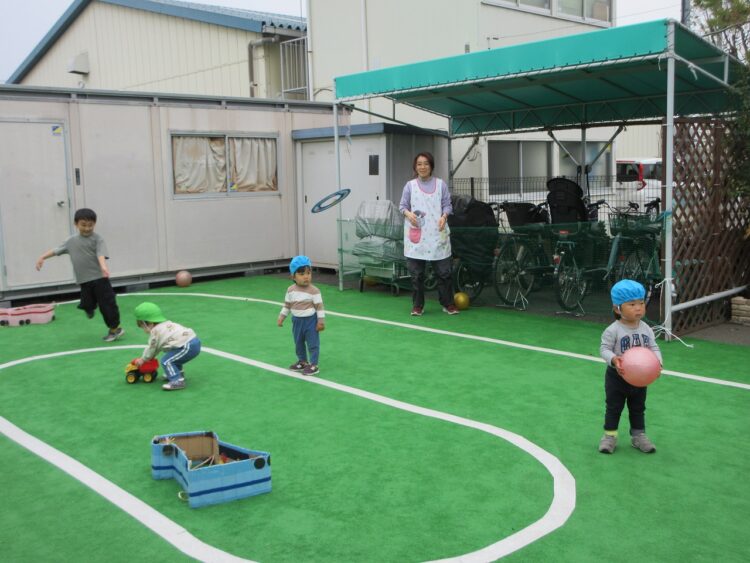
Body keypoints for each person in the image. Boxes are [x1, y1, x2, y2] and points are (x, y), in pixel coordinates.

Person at [36, 208, 124, 342]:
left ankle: (114, 329)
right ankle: (90, 308)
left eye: (90, 225)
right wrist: (42, 257)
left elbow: (100, 253)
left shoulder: (98, 239)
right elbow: (56, 250)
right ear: (76, 224)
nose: (87, 228)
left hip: (100, 279)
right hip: (84, 281)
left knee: (107, 304)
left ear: (94, 224)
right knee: (87, 304)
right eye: (83, 225)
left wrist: (103, 266)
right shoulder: (71, 241)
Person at [598, 280, 663, 454]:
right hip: (617, 378)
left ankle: (638, 436)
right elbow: (604, 349)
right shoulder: (613, 330)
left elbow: (653, 347)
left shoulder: (646, 329)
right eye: (632, 304)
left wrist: (658, 363)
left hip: (640, 379)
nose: (638, 308)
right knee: (614, 408)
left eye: (641, 303)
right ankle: (609, 436)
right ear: (617, 308)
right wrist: (614, 359)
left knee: (638, 408)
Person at [399, 152, 458, 316]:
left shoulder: (441, 185)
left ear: (431, 166)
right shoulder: (410, 186)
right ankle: (418, 305)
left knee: (444, 273)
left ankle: (448, 303)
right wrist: (408, 214)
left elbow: (447, 205)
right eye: (419, 164)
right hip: (417, 237)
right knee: (416, 275)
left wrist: (444, 216)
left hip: (438, 234)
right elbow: (402, 206)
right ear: (415, 167)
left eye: (426, 163)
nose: (422, 167)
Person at [133, 302, 201, 391]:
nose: (144, 330)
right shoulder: (166, 324)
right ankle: (178, 374)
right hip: (192, 342)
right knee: (173, 357)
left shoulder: (155, 331)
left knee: (166, 361)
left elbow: (152, 348)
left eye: (143, 326)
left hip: (188, 345)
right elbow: (158, 347)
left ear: (149, 323)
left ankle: (177, 381)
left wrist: (143, 359)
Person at [277, 255, 325, 376]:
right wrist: (281, 317)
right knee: (298, 342)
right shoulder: (290, 290)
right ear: (293, 276)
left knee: (313, 343)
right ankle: (302, 361)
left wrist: (320, 321)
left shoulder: (314, 291)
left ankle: (314, 364)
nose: (306, 276)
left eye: (308, 273)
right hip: (297, 321)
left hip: (311, 321)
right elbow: (287, 305)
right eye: (302, 274)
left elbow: (319, 307)